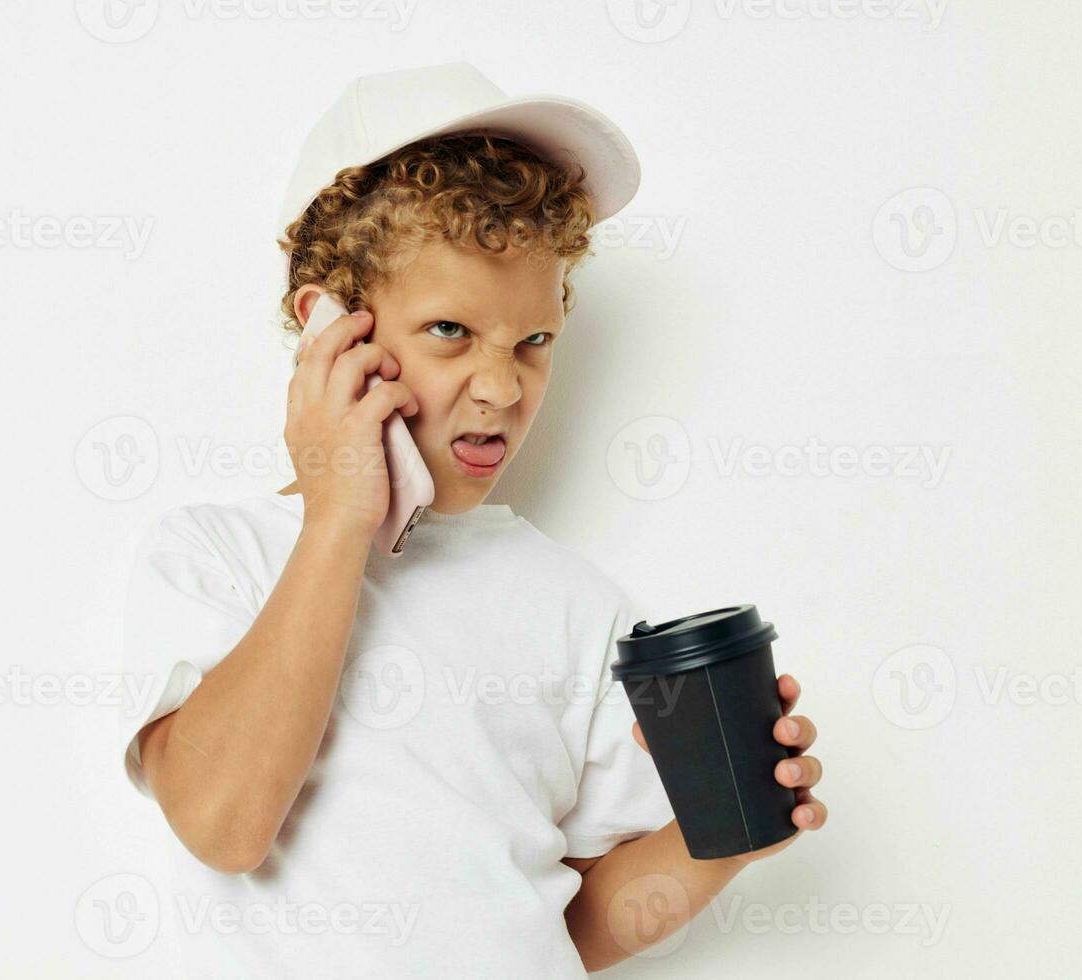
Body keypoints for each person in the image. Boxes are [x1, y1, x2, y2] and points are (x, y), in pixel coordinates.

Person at [117, 59, 827, 975]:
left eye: (533, 343)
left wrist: (724, 836)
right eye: (450, 331)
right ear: (330, 326)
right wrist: (340, 514)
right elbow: (223, 827)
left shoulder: (579, 608)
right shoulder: (217, 555)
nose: (501, 388)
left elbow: (578, 924)